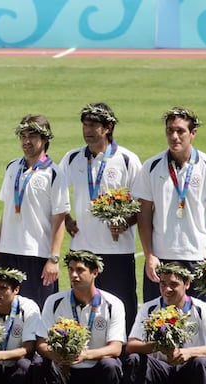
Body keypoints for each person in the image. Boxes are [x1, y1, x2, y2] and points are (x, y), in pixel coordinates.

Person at [133, 106, 206, 304]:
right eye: (170, 131)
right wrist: (150, 255)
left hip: (199, 259)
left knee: (199, 324)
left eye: (180, 131)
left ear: (193, 133)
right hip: (161, 258)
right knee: (157, 323)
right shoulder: (151, 167)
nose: (174, 136)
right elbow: (143, 215)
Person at [59, 103, 142, 331]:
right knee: (82, 310)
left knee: (122, 310)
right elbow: (55, 193)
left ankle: (125, 362)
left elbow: (142, 204)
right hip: (82, 250)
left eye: (93, 125)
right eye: (85, 125)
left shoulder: (127, 159)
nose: (87, 130)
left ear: (108, 127)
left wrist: (125, 223)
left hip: (118, 251)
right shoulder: (71, 158)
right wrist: (66, 218)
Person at [34, 250, 125, 384]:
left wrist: (85, 355)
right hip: (65, 372)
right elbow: (41, 343)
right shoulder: (55, 301)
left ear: (95, 273)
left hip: (95, 373)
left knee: (111, 365)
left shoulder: (113, 304)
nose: (74, 275)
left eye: (80, 270)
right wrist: (57, 356)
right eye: (71, 270)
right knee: (40, 364)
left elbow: (116, 348)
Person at [0, 115, 69, 308]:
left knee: (38, 314)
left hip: (37, 255)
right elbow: (8, 208)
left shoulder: (54, 173)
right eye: (23, 136)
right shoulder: (12, 167)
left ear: (44, 139)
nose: (26, 141)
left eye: (32, 136)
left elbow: (59, 218)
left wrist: (53, 258)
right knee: (5, 311)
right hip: (8, 253)